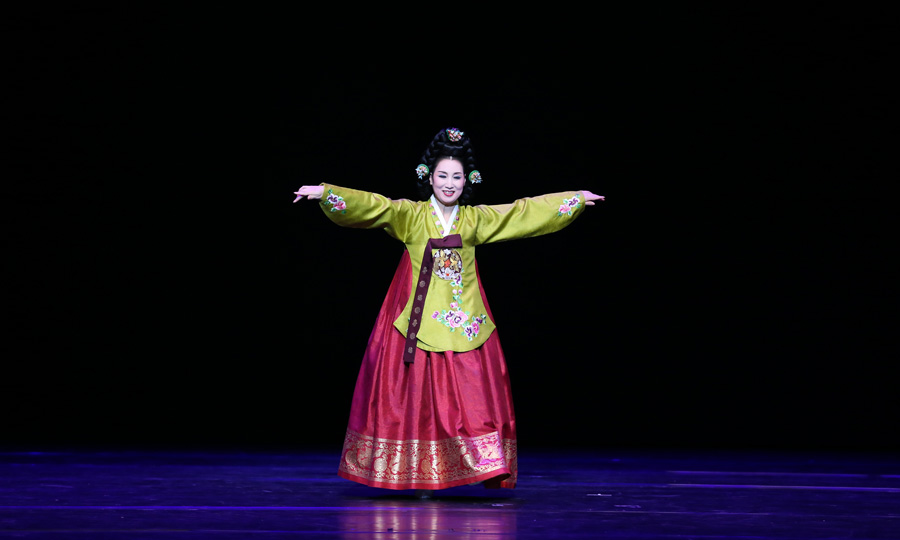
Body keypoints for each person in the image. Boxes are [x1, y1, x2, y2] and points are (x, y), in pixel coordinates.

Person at [293, 127, 603, 497]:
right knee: (416, 405)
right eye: (442, 176)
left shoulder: (474, 219)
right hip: (417, 324)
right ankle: (419, 475)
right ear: (430, 177)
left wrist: (571, 200)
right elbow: (377, 206)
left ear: (467, 180)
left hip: (464, 323)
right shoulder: (411, 216)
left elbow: (520, 213)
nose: (449, 184)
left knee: (474, 403)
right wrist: (327, 193)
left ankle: (478, 466)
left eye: (456, 177)